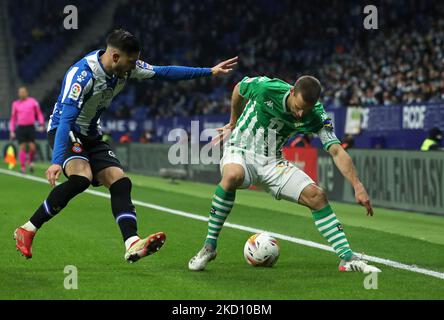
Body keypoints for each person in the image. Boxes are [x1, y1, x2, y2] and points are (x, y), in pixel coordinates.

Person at [14, 29, 238, 263]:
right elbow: (67, 119)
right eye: (130, 62)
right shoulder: (82, 75)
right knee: (81, 178)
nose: (134, 67)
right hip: (65, 130)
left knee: (120, 182)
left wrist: (209, 71)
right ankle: (27, 229)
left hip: (91, 133)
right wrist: (57, 161)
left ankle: (132, 243)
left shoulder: (127, 67)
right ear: (115, 57)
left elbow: (164, 72)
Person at [189, 75, 381, 273]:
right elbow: (239, 87)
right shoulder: (266, 88)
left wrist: (357, 186)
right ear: (291, 92)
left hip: (273, 161)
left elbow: (337, 151)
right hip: (240, 150)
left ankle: (347, 258)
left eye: (305, 110)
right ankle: (209, 247)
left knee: (317, 196)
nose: (300, 114)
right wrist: (233, 121)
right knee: (232, 176)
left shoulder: (316, 115)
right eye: (298, 107)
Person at [9, 86, 45, 173]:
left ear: (26, 93)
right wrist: (12, 130)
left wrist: (42, 123)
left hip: (30, 127)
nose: (21, 94)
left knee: (32, 147)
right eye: (20, 92)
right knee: (22, 147)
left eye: (23, 92)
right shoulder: (15, 104)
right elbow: (13, 118)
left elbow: (39, 113)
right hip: (21, 128)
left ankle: (30, 161)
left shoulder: (33, 102)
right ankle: (23, 167)